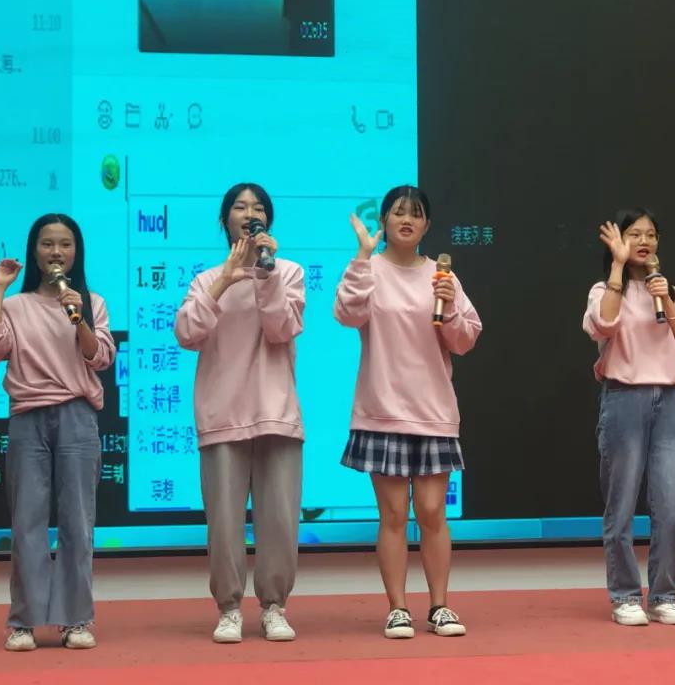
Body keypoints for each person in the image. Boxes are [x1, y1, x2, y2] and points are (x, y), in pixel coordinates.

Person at [335, 185, 481, 638]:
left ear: (427, 225)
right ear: (383, 221)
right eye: (398, 212)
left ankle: (439, 606)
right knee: (394, 515)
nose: (407, 220)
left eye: (416, 214)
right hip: (382, 408)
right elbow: (346, 313)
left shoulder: (442, 275)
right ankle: (397, 608)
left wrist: (450, 305)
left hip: (432, 410)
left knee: (433, 512)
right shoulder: (369, 269)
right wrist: (362, 257)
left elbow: (465, 340)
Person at [0, 214, 114, 651]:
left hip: (77, 417)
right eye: (47, 243)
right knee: (27, 522)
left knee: (78, 522)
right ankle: (25, 621)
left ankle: (75, 619)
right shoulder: (16, 306)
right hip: (28, 418)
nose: (56, 252)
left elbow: (100, 358)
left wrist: (78, 317)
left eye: (65, 244)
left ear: (77, 252)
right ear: (35, 251)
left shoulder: (90, 302)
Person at [174, 183, 306, 643]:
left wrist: (265, 274)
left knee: (280, 520)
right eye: (240, 207)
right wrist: (225, 280)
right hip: (222, 414)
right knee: (224, 522)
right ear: (224, 221)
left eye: (258, 207)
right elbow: (187, 334)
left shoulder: (288, 272)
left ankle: (274, 606)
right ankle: (229, 608)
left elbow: (282, 328)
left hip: (276, 413)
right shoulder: (206, 280)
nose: (250, 213)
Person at [582, 208, 675, 626]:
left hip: (668, 401)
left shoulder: (670, 291)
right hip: (624, 399)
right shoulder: (604, 288)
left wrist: (666, 298)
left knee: (671, 508)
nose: (644, 241)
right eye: (634, 234)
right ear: (619, 241)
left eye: (650, 234)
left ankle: (664, 596)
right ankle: (625, 596)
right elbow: (603, 324)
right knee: (620, 507)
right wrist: (618, 268)